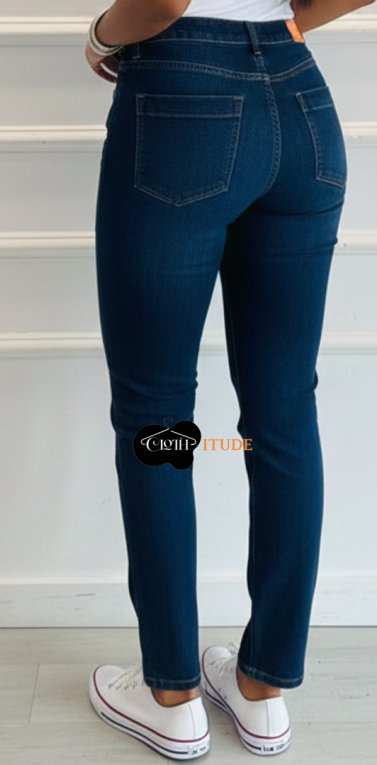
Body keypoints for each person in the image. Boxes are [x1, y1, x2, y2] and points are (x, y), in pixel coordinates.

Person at [85, 0, 372, 759]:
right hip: (303, 108)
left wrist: (101, 35)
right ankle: (261, 688)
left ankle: (171, 694)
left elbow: (165, 2)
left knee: (156, 412)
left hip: (180, 100)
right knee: (284, 411)